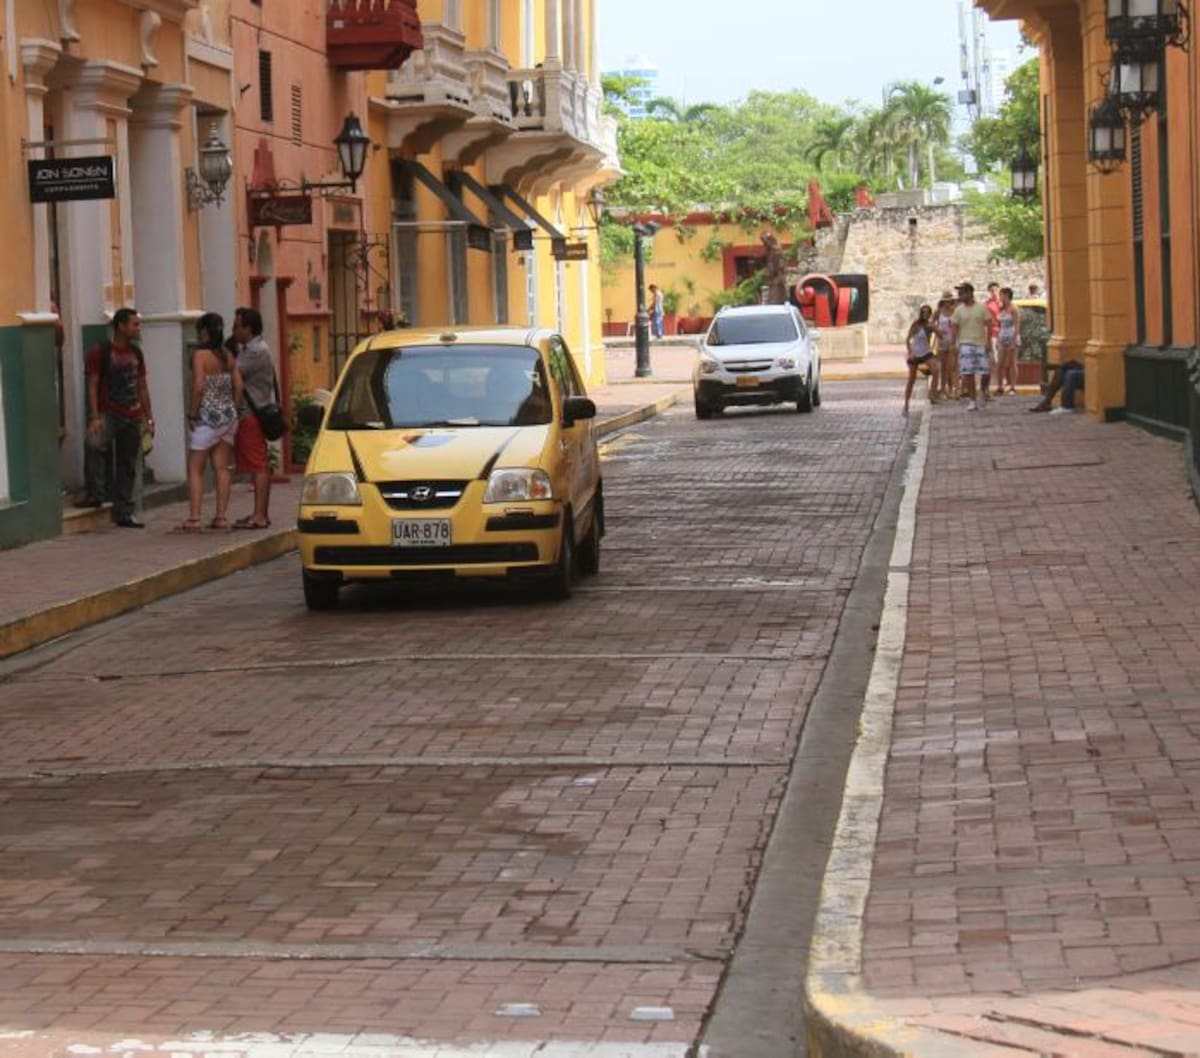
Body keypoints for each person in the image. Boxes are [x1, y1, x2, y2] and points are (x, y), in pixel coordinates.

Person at [82, 308, 154, 528]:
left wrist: (148, 417)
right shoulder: (100, 352)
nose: (138, 328)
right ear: (121, 326)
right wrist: (95, 416)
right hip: (109, 412)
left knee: (128, 463)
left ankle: (124, 510)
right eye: (134, 324)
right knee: (94, 444)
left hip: (133, 414)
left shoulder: (136, 353)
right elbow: (92, 384)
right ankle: (96, 493)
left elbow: (142, 386)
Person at [181, 313, 242, 532]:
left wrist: (193, 413)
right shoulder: (227, 355)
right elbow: (239, 386)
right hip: (228, 418)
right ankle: (221, 517)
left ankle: (194, 518)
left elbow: (198, 386)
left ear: (204, 332)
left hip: (206, 419)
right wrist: (232, 407)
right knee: (222, 467)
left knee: (195, 468)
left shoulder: (200, 355)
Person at [231, 306, 275, 529]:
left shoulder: (255, 351)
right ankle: (259, 513)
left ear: (248, 328)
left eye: (237, 326)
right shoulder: (252, 349)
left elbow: (233, 373)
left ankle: (259, 515)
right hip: (255, 411)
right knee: (258, 464)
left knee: (258, 466)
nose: (234, 331)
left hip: (252, 413)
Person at [951, 282, 991, 412]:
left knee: (986, 371)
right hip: (965, 343)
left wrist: (989, 341)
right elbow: (954, 327)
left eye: (962, 292)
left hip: (980, 343)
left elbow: (989, 324)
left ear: (969, 293)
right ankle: (973, 400)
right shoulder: (958, 310)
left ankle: (983, 390)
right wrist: (954, 344)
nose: (959, 295)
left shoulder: (981, 307)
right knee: (968, 373)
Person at [903, 304, 937, 416]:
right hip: (915, 353)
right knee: (911, 380)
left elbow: (939, 335)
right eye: (923, 312)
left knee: (936, 370)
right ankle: (906, 404)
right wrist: (910, 352)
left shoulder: (930, 325)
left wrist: (936, 328)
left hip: (926, 352)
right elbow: (908, 339)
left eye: (927, 312)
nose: (925, 314)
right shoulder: (916, 325)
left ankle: (932, 395)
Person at [995, 287, 1021, 396]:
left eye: (1001, 295)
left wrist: (1013, 341)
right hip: (1002, 336)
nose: (1000, 297)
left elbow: (1017, 325)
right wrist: (997, 339)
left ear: (1007, 295)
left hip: (1011, 336)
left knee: (1012, 362)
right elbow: (1000, 325)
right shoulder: (1001, 309)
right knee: (1000, 362)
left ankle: (1013, 386)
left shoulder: (1014, 309)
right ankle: (1000, 386)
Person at [932, 293, 957, 400]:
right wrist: (937, 330)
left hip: (952, 340)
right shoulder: (938, 312)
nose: (948, 303)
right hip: (942, 340)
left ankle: (951, 389)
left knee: (950, 366)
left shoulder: (955, 311)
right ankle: (942, 389)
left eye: (949, 300)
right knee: (942, 366)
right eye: (946, 300)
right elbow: (931, 323)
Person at [984, 282, 1001, 398]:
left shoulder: (1002, 303)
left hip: (1003, 333)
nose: (994, 292)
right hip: (993, 334)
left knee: (1004, 360)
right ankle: (995, 382)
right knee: (994, 359)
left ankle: (1002, 383)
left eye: (996, 290)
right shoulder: (987, 305)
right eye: (992, 290)